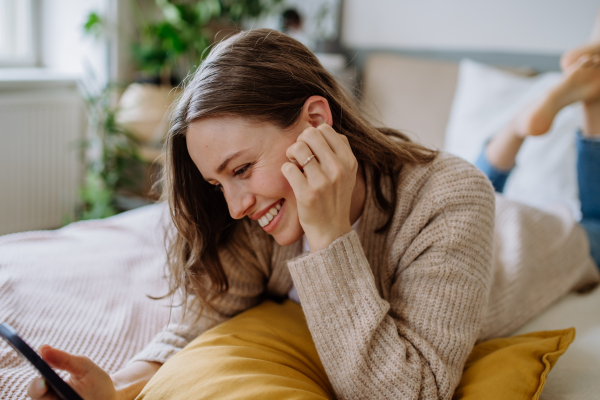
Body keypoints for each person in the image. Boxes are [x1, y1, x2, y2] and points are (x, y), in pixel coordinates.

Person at [27, 25, 600, 400]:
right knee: (481, 167)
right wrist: (116, 388)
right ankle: (521, 128)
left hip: (533, 238)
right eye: (216, 181)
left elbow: (409, 393)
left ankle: (583, 107)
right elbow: (203, 324)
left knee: (583, 220)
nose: (235, 205)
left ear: (318, 123)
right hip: (451, 192)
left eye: (243, 169)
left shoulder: (450, 198)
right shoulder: (255, 218)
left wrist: (328, 234)